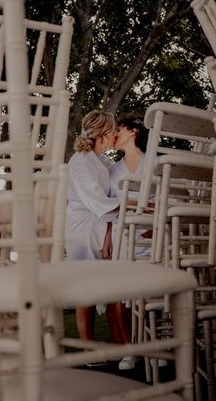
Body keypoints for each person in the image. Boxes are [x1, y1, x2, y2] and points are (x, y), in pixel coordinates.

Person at [65, 111, 119, 343]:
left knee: (104, 288)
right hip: (83, 231)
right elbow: (97, 200)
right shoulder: (80, 161)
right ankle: (88, 348)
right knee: (85, 292)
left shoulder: (103, 162)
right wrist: (132, 205)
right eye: (113, 130)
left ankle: (106, 344)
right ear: (104, 135)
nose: (116, 133)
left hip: (100, 227)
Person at [104, 113, 150, 370]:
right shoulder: (112, 171)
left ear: (133, 132)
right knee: (122, 294)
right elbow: (109, 208)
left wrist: (157, 225)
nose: (113, 135)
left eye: (118, 130)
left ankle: (156, 347)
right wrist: (108, 239)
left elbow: (173, 195)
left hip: (150, 235)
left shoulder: (154, 162)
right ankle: (130, 352)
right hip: (121, 236)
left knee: (151, 293)